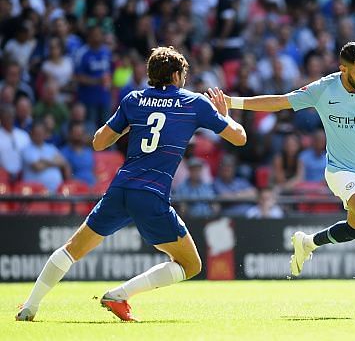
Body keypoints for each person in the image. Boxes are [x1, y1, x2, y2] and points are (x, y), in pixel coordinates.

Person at [16, 46, 247, 322]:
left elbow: (99, 142)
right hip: (151, 195)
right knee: (191, 264)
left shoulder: (133, 99)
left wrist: (128, 124)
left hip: (121, 188)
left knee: (72, 249)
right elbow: (239, 138)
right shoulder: (194, 103)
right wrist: (225, 115)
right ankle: (120, 294)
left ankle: (30, 306)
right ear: (175, 76)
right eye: (183, 74)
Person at [209, 41, 355, 315]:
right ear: (343, 69)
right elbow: (280, 102)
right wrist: (231, 102)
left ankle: (307, 242)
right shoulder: (324, 89)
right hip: (339, 171)